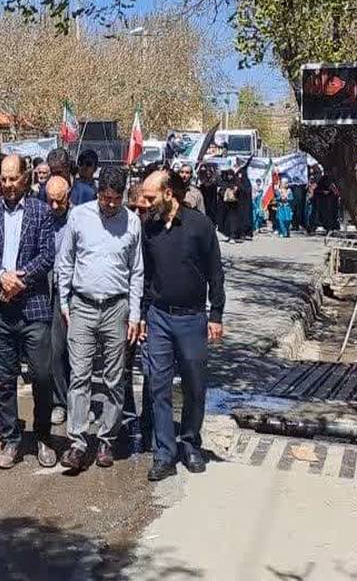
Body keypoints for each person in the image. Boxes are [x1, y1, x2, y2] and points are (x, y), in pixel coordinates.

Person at [57, 167, 144, 471]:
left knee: (114, 378)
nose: (110, 204)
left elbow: (136, 272)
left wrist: (134, 314)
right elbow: (66, 261)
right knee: (79, 375)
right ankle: (78, 442)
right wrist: (64, 301)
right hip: (82, 305)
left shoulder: (132, 222)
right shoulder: (79, 216)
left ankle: (107, 439)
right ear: (98, 193)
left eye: (116, 199)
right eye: (106, 198)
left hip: (116, 308)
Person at [140, 170, 225, 481]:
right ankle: (164, 453)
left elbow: (216, 272)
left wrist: (216, 314)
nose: (145, 203)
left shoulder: (200, 225)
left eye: (150, 197)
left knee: (194, 385)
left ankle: (190, 443)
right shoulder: (149, 227)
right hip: (159, 318)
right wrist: (143, 314)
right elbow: (146, 275)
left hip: (192, 319)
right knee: (158, 386)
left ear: (168, 194)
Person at [0, 154, 58, 469]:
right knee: (5, 378)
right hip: (1, 306)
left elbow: (47, 255)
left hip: (33, 307)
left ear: (25, 178)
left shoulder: (40, 211)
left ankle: (43, 436)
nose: (9, 184)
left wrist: (18, 280)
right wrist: (1, 276)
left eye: (14, 178)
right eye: (4, 179)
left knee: (42, 375)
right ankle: (11, 439)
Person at [44, 175, 72, 425]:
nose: (54, 206)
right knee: (55, 349)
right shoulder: (44, 219)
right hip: (50, 290)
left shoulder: (79, 219)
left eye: (59, 201)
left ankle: (78, 401)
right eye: (50, 201)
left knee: (76, 351)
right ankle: (59, 401)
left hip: (73, 291)